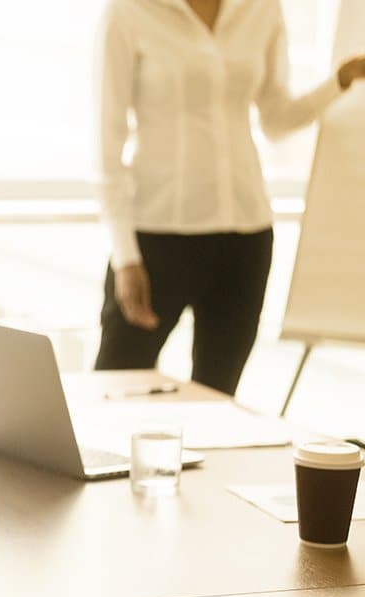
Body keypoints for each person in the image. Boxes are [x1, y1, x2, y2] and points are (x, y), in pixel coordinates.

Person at [94, 0, 365, 395]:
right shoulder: (130, 12)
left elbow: (276, 118)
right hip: (156, 239)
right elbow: (106, 151)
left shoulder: (261, 9)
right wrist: (125, 257)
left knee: (218, 404)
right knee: (112, 390)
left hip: (245, 237)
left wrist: (339, 81)